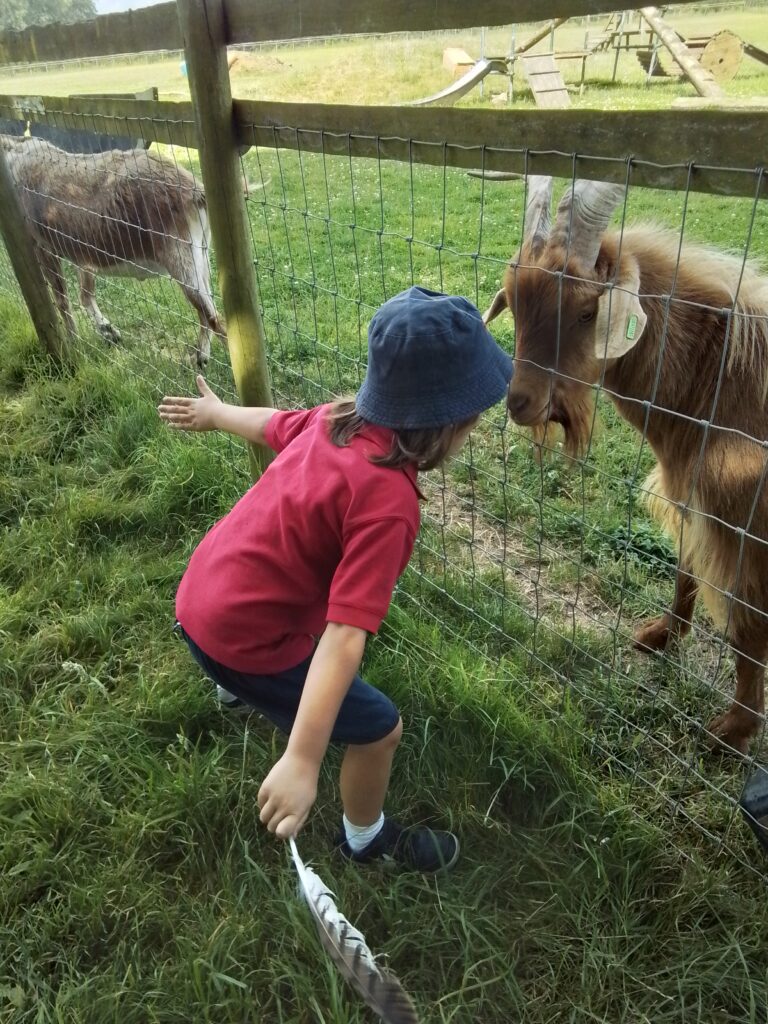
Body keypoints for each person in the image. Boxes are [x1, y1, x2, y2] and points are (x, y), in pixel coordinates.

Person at [158, 286, 513, 872]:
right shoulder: (389, 503)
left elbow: (272, 424)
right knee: (379, 729)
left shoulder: (335, 420)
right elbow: (345, 636)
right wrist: (302, 757)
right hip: (242, 642)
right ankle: (365, 840)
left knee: (267, 616)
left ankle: (235, 692)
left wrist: (219, 415)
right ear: (454, 421)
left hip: (197, 600)